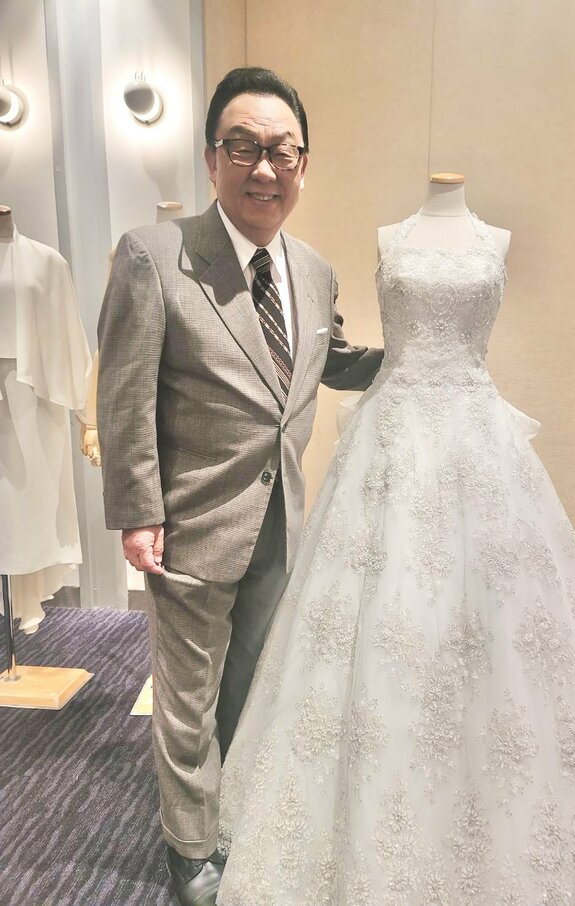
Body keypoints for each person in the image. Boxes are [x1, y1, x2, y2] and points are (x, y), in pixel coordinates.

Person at [215, 178, 575, 904]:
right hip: (391, 439)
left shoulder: (495, 240)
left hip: (477, 438)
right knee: (379, 615)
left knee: (498, 629)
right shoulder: (391, 237)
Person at [96, 67, 383, 906]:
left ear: (304, 166)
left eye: (282, 152)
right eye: (244, 147)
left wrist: (425, 358)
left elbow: (324, 361)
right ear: (212, 158)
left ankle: (236, 807)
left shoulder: (315, 271)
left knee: (253, 678)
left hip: (282, 518)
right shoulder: (155, 255)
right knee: (186, 698)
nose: (265, 168)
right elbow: (125, 393)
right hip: (191, 520)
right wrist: (139, 512)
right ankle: (190, 848)